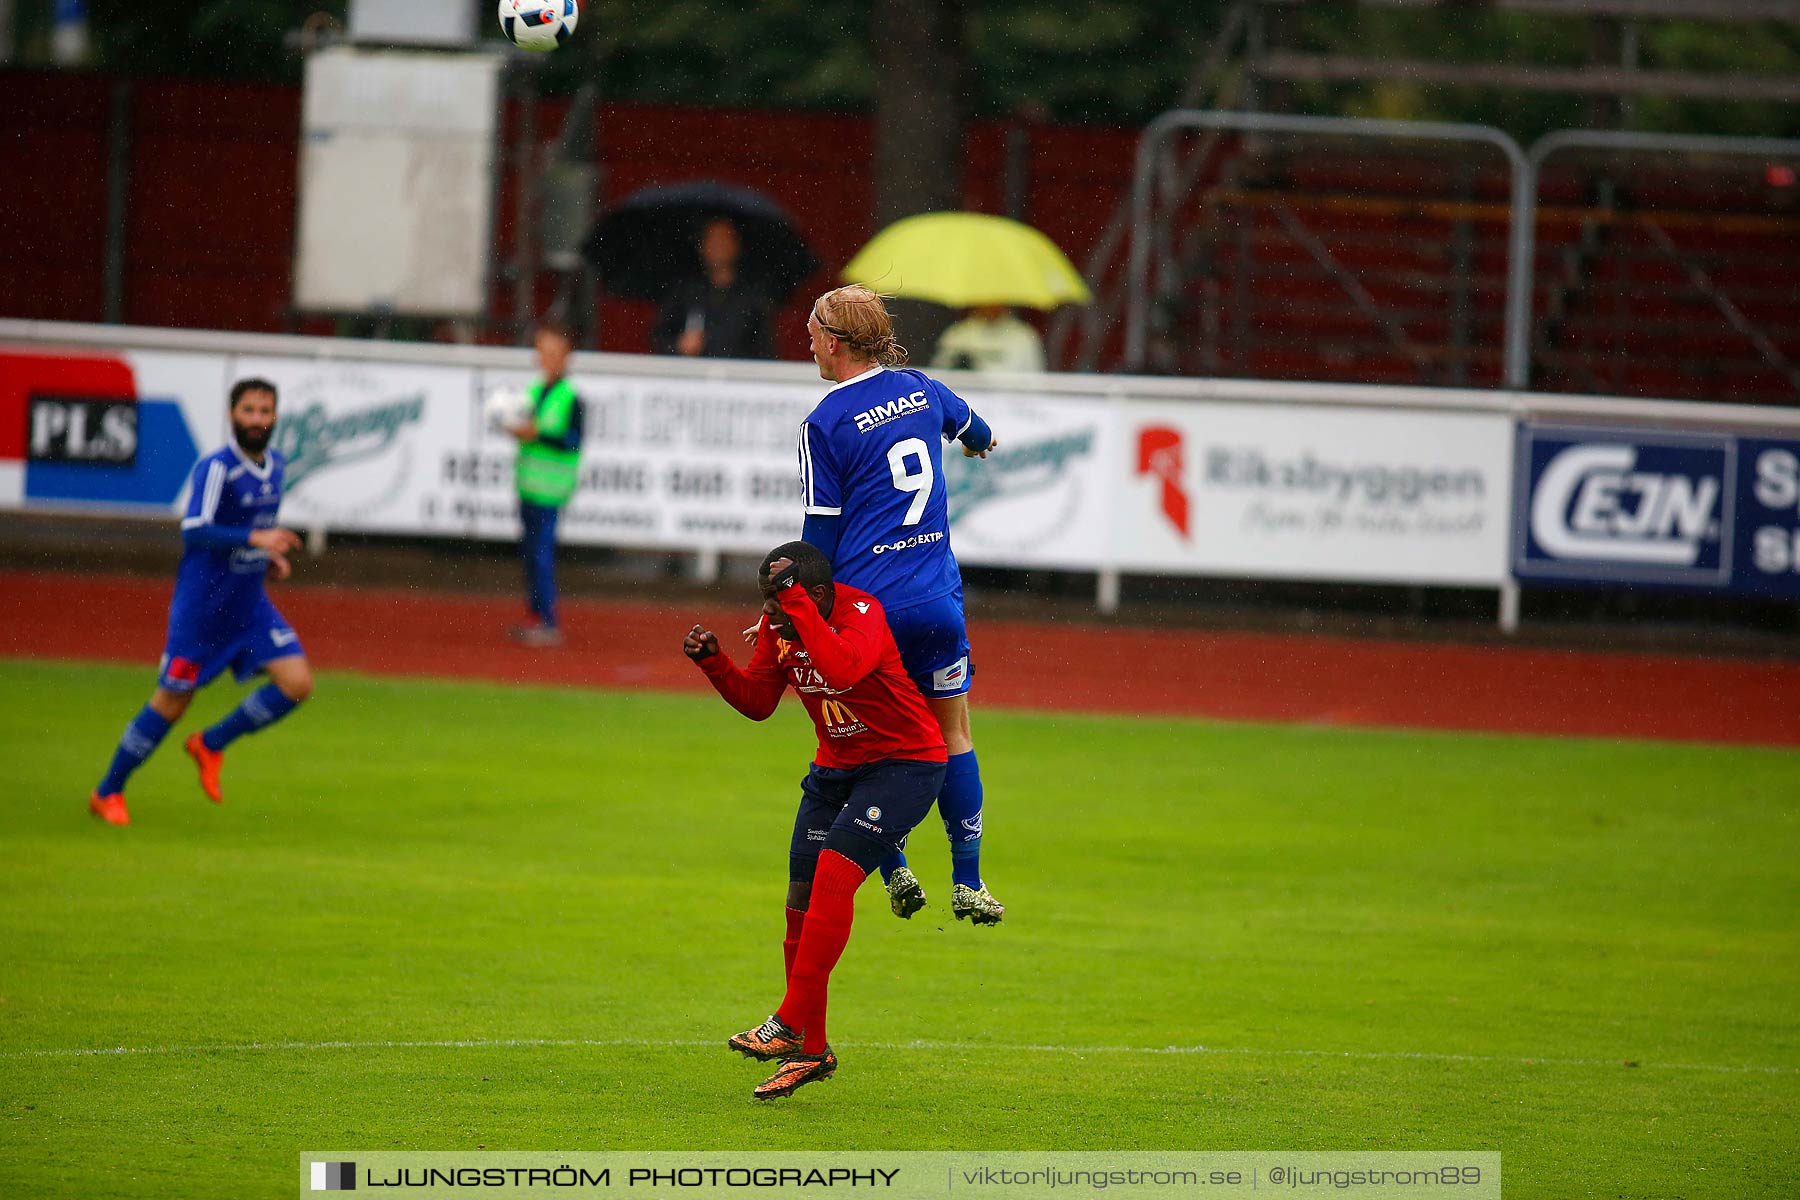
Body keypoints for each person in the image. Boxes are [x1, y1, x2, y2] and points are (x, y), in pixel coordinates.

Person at [685, 541, 947, 1099]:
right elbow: (758, 701)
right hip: (834, 772)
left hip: (905, 765)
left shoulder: (861, 614)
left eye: (780, 599)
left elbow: (844, 669)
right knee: (800, 898)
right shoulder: (783, 626)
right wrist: (715, 664)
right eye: (767, 600)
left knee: (834, 875)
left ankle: (787, 1019)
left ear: (818, 594)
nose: (770, 612)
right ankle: (811, 1051)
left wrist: (797, 609)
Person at [796, 284, 1005, 925]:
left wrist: (795, 609)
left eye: (811, 333)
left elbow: (818, 543)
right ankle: (968, 878)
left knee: (879, 749)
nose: (807, 342)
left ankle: (897, 867)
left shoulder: (824, 423)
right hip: (937, 602)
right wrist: (972, 443)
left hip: (871, 616)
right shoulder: (921, 388)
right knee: (954, 734)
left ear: (833, 343)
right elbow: (981, 432)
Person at [87, 378, 312, 826]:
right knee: (171, 703)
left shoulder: (279, 466)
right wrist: (254, 537)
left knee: (297, 683)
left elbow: (249, 531)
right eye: (248, 410)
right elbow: (195, 529)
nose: (257, 419)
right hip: (203, 611)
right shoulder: (216, 468)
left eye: (265, 411)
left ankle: (211, 743)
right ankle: (107, 791)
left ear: (275, 418)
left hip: (248, 605)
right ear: (232, 415)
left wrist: (265, 556)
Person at [503, 318, 585, 648]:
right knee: (530, 555)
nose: (545, 359)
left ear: (566, 357)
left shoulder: (570, 398)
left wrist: (535, 434)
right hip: (528, 485)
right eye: (541, 352)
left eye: (552, 352)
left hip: (551, 490)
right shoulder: (533, 392)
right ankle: (537, 616)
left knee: (541, 555)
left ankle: (548, 621)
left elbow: (572, 441)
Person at [650, 217, 775, 360]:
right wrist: (678, 345)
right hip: (691, 377)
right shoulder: (685, 291)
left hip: (735, 378)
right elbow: (660, 336)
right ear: (702, 247)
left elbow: (765, 350)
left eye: (724, 238)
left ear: (736, 246)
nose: (719, 245)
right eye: (713, 239)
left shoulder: (752, 297)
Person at [930, 305, 1046, 373]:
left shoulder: (1024, 336)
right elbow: (940, 377)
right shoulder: (957, 335)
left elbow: (1035, 383)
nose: (991, 303)